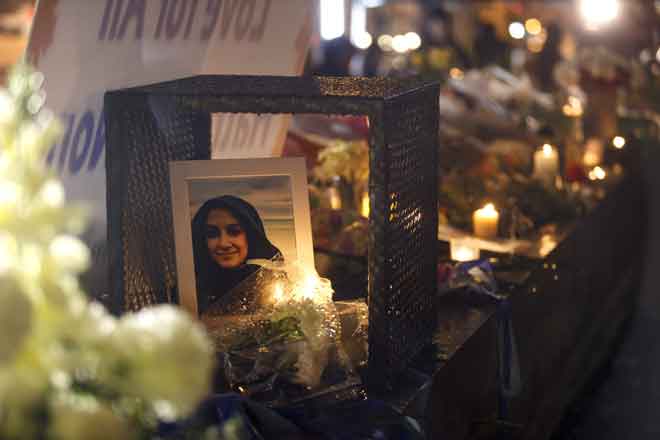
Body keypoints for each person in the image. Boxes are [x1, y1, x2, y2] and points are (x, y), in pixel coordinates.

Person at [191, 195, 282, 314]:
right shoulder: (187, 289)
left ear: (250, 236)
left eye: (234, 232)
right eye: (212, 234)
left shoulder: (275, 287)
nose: (223, 243)